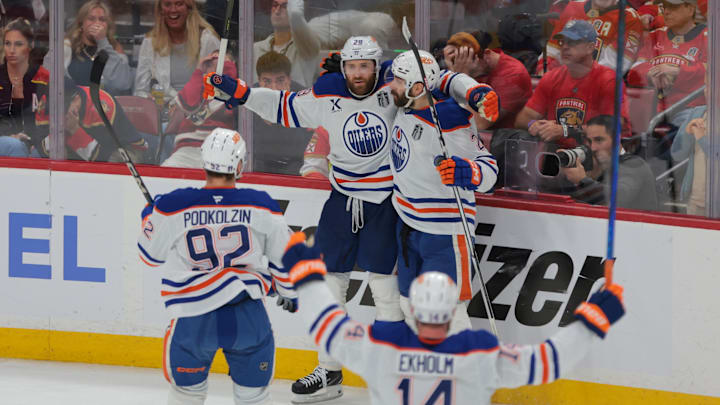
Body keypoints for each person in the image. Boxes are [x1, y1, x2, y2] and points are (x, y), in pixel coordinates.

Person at [204, 35, 499, 403]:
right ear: (341, 65)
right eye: (351, 66)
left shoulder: (401, 89)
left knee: (387, 292)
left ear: (379, 66)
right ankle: (329, 372)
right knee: (328, 287)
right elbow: (285, 107)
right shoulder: (333, 92)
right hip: (342, 199)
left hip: (388, 204)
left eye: (365, 66)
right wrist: (242, 93)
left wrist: (473, 93)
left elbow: (439, 79)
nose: (358, 74)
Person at [279, 232, 626, 405]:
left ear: (411, 307)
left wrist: (306, 274)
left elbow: (328, 326)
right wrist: (595, 318)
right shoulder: (478, 352)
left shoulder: (381, 347)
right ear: (451, 312)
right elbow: (549, 361)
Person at [137, 128, 296, 405]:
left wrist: (149, 217)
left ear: (204, 162)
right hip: (248, 316)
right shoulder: (263, 205)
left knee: (187, 396)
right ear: (239, 165)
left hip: (194, 317)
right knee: (254, 398)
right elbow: (285, 261)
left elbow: (150, 256)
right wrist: (289, 293)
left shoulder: (174, 205)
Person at [388, 50, 499, 332]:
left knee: (449, 310)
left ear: (416, 87)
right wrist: (474, 90)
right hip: (408, 225)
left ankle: (464, 373)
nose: (392, 86)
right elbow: (445, 78)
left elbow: (489, 171)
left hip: (445, 231)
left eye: (399, 82)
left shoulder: (450, 121)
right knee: (408, 305)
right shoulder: (409, 100)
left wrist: (466, 172)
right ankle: (426, 368)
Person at [515, 20, 630, 147]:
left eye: (573, 42)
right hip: (558, 154)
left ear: (590, 47)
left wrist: (566, 131)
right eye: (562, 42)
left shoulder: (608, 80)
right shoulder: (551, 78)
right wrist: (533, 124)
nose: (564, 47)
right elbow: (523, 118)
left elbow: (612, 127)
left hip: (598, 153)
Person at [627, 0, 707, 123]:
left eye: (673, 7)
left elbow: (712, 74)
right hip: (652, 111)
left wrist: (677, 71)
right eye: (664, 7)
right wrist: (651, 74)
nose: (666, 12)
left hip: (689, 109)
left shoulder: (709, 37)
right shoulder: (654, 36)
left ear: (690, 10)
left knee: (687, 123)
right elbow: (634, 71)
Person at [562, 115, 658, 211]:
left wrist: (582, 180)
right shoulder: (596, 165)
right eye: (589, 141)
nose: (592, 148)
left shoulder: (635, 165)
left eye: (599, 140)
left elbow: (618, 197)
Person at [134, 0, 219, 103]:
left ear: (189, 8)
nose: (173, 10)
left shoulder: (208, 40)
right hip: (162, 114)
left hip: (199, 114)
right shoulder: (150, 43)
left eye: (179, 4)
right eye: (167, 4)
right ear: (161, 10)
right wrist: (150, 102)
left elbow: (219, 90)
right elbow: (140, 91)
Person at [161, 50, 236, 168]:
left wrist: (227, 67)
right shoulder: (196, 85)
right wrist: (198, 70)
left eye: (222, 64)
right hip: (186, 149)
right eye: (211, 64)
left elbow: (226, 95)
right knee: (164, 175)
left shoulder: (237, 89)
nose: (216, 68)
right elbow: (188, 106)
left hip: (217, 150)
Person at [443, 31, 532, 129]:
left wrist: (462, 78)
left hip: (500, 140)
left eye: (465, 63)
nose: (458, 67)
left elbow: (478, 124)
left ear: (487, 54)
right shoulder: (462, 68)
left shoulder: (513, 75)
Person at [538, 0, 643, 75]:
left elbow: (614, 66)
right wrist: (545, 72)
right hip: (561, 80)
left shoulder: (629, 19)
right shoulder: (572, 6)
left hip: (597, 89)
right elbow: (552, 51)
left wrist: (574, 78)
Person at [252, 51, 312, 175]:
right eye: (267, 81)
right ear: (259, 82)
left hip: (296, 171)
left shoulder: (306, 101)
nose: (274, 88)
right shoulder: (247, 101)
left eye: (280, 80)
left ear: (289, 80)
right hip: (257, 169)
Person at [59, 0, 133, 95]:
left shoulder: (115, 49)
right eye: (91, 19)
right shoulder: (67, 46)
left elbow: (123, 84)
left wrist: (102, 41)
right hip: (75, 106)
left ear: (107, 25)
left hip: (106, 107)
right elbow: (49, 80)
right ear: (82, 24)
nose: (97, 24)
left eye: (102, 19)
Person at [0, 18, 48, 157]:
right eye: (7, 44)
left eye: (18, 44)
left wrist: (34, 141)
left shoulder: (45, 78)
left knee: (39, 153)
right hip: (5, 140)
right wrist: (11, 135)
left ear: (31, 45)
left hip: (35, 141)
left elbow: (53, 122)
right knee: (14, 146)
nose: (12, 50)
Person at [253, 0, 318, 87]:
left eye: (285, 6)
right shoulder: (255, 49)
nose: (277, 11)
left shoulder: (307, 47)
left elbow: (296, 15)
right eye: (275, 5)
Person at [670, 68, 708, 216]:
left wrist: (702, 138)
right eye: (707, 86)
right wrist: (686, 133)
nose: (708, 91)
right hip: (696, 202)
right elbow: (677, 154)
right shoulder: (696, 113)